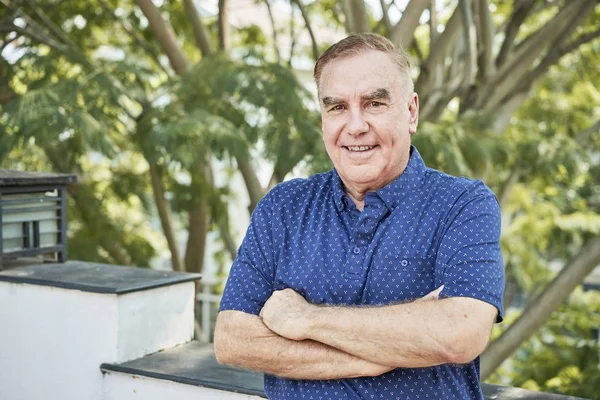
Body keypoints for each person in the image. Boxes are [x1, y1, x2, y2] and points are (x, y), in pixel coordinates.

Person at [214, 33, 504, 400]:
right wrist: (384, 354)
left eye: (374, 104)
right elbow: (233, 339)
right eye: (337, 108)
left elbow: (461, 333)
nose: (355, 126)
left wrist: (304, 319)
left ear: (411, 111)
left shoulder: (462, 204)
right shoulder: (283, 208)